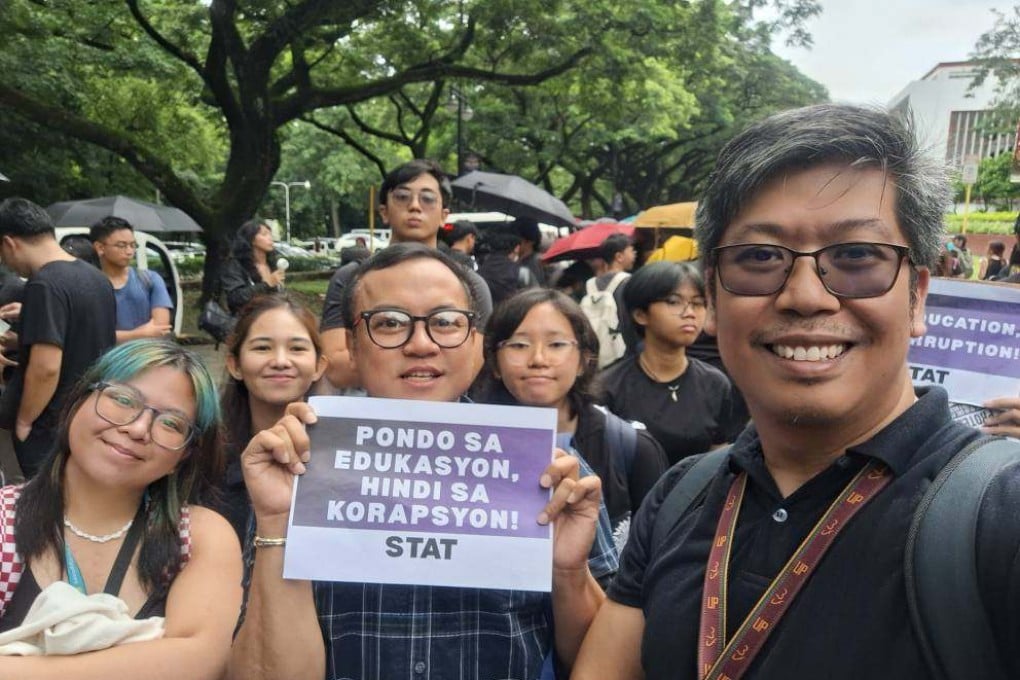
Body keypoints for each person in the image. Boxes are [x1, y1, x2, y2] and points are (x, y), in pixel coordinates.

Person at [573, 104, 1020, 679]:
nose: (805, 296)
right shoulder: (679, 496)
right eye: (759, 257)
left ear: (918, 297)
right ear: (712, 296)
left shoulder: (1000, 515)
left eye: (857, 256)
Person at [229, 244, 607, 680]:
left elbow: (607, 662)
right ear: (351, 343)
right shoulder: (301, 463)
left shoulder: (549, 470)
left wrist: (568, 573)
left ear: (475, 341)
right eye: (389, 323)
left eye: (446, 322)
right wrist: (277, 524)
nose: (421, 344)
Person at [0, 339, 242, 676]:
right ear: (77, 402)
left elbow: (200, 661)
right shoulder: (4, 520)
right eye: (123, 399)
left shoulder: (200, 536)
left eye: (171, 423)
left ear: (183, 456)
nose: (138, 428)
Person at [483, 288, 666, 538]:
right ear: (494, 363)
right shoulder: (467, 447)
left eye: (556, 344)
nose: (538, 359)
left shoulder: (632, 449)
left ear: (584, 360)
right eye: (519, 344)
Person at [319, 160, 493, 391]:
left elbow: (465, 369)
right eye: (389, 323)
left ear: (444, 215)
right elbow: (336, 368)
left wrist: (386, 362)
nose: (414, 206)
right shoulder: (351, 278)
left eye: (427, 198)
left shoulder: (471, 284)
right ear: (383, 211)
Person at [0, 198, 116, 479]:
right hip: (89, 414)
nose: (5, 263)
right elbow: (83, 337)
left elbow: (46, 367)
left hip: (49, 425)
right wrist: (20, 341)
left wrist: (25, 421)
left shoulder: (44, 284)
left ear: (9, 243)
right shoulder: (96, 278)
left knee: (42, 503)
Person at [600, 262, 743, 465]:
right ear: (640, 314)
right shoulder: (609, 387)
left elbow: (718, 453)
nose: (690, 313)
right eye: (674, 302)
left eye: (698, 303)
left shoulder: (715, 383)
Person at [215, 294, 326, 542]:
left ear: (319, 366)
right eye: (262, 348)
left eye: (297, 348)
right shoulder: (205, 455)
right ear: (235, 365)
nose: (280, 361)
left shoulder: (343, 457)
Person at [90, 217, 174, 343]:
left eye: (133, 245)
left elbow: (161, 328)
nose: (129, 251)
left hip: (145, 358)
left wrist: (118, 336)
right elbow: (91, 335)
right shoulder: (88, 285)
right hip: (106, 361)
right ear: (100, 248)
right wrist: (139, 334)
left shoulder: (150, 279)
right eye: (121, 245)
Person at [580, 234, 636, 368]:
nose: (635, 253)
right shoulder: (630, 282)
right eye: (631, 250)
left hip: (593, 351)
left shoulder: (589, 284)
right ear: (619, 257)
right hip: (622, 352)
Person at [221, 219, 285, 315]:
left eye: (270, 234)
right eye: (264, 234)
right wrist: (266, 284)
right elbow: (235, 298)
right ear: (251, 239)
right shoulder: (235, 265)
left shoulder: (272, 264)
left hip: (274, 319)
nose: (270, 238)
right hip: (247, 321)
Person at [476, 227, 537, 307]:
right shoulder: (522, 273)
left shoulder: (478, 271)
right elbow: (535, 298)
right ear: (517, 248)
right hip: (510, 316)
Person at [513, 217, 548, 286]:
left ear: (530, 241)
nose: (513, 242)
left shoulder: (535, 262)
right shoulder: (519, 259)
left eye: (517, 238)